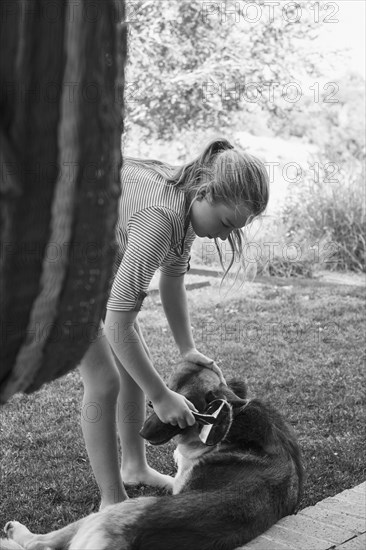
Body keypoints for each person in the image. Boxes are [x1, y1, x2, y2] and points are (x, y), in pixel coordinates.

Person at [79, 138, 269, 509]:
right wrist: (161, 396)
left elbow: (172, 281)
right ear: (206, 192)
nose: (228, 235)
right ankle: (111, 500)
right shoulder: (162, 216)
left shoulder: (185, 206)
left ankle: (134, 466)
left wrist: (188, 350)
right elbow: (118, 321)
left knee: (132, 365)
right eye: (228, 223)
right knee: (104, 379)